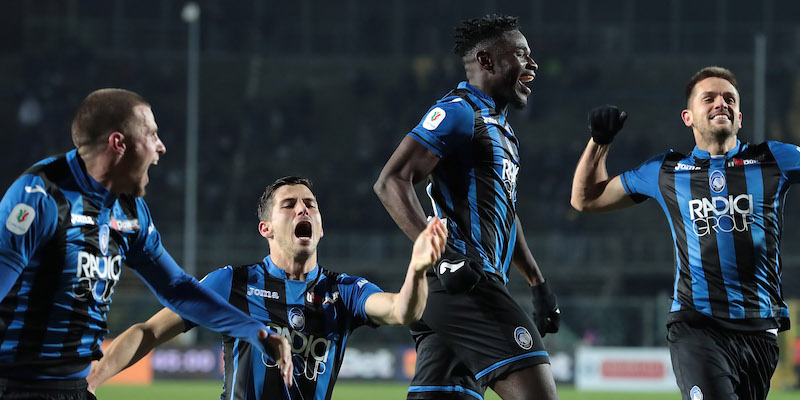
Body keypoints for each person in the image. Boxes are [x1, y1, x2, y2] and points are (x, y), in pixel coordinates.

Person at [0, 89, 292, 400]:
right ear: (118, 143)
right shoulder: (40, 197)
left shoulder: (130, 211)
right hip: (16, 387)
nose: (161, 147)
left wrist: (254, 331)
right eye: (151, 134)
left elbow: (178, 288)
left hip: (74, 389)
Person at [87, 176, 447, 400]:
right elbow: (149, 332)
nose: (302, 210)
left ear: (321, 227)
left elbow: (403, 310)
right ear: (267, 229)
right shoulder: (232, 283)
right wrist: (90, 381)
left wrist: (417, 269)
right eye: (289, 205)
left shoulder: (346, 291)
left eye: (310, 205)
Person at [570, 66, 792, 400]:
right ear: (688, 117)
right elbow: (585, 199)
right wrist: (599, 143)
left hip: (760, 330)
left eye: (729, 98)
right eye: (710, 98)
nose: (721, 103)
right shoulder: (666, 171)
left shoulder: (773, 159)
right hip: (696, 325)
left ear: (740, 117)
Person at [374, 14, 560, 400]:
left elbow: (506, 213)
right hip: (461, 283)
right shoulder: (460, 111)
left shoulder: (503, 132)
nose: (533, 64)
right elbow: (392, 181)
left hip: (463, 283)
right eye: (521, 55)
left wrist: (538, 282)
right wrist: (443, 258)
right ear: (488, 61)